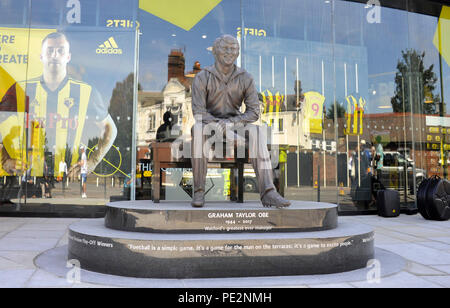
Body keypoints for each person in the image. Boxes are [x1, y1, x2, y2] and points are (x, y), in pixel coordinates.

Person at [0, 32, 117, 186]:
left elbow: (110, 129)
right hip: (28, 181)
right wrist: (5, 160)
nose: (55, 55)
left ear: (68, 57)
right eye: (50, 50)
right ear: (41, 56)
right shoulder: (22, 89)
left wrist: (91, 162)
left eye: (60, 50)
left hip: (70, 183)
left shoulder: (86, 92)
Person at [190, 34, 290, 208]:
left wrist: (231, 124)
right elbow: (198, 112)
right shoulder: (202, 77)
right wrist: (220, 126)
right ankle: (198, 191)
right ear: (215, 52)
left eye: (233, 49)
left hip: (234, 126)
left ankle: (268, 192)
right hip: (208, 126)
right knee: (198, 129)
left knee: (257, 131)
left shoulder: (246, 78)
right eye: (225, 48)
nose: (230, 52)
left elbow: (253, 112)